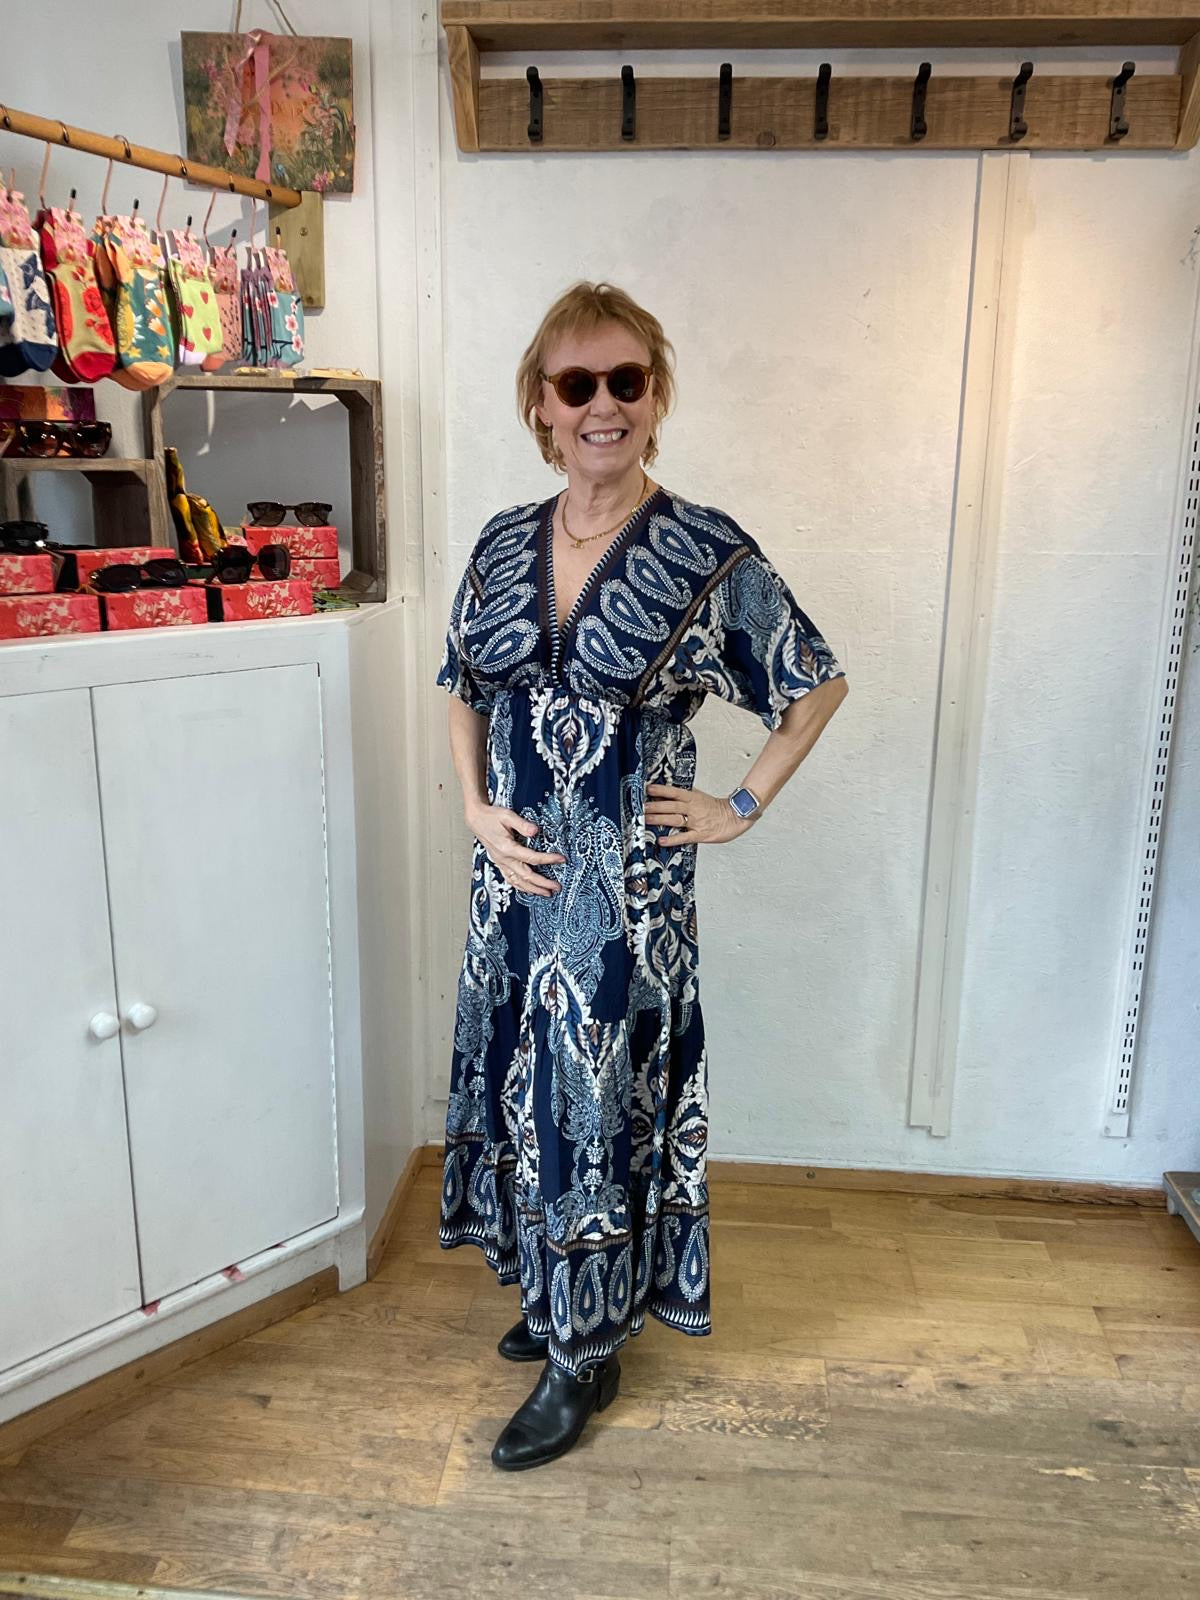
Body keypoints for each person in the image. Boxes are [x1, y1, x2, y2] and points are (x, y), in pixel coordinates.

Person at [436, 280, 849, 1470]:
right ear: (542, 404)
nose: (602, 404)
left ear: (655, 397)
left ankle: (585, 1354)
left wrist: (740, 805)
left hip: (626, 904)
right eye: (578, 384)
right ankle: (557, 1294)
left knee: (597, 1100)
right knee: (525, 1087)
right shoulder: (503, 541)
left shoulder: (706, 551)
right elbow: (461, 682)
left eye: (626, 380)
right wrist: (473, 807)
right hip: (515, 891)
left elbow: (813, 679)